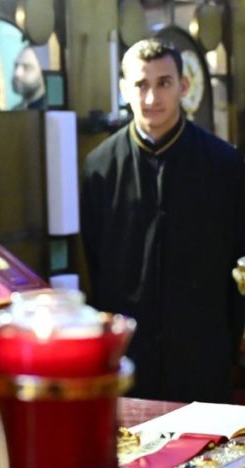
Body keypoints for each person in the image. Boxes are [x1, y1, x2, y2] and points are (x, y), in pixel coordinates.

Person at [81, 38, 245, 403]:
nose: (152, 98)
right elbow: (94, 263)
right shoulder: (100, 168)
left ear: (183, 87)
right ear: (124, 89)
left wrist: (228, 343)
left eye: (164, 83)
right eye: (141, 84)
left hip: (203, 352)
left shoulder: (224, 165)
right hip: (130, 357)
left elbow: (238, 262)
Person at [12, 45, 46, 111]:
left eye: (26, 67)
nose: (17, 74)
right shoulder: (15, 110)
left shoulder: (52, 112)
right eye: (16, 66)